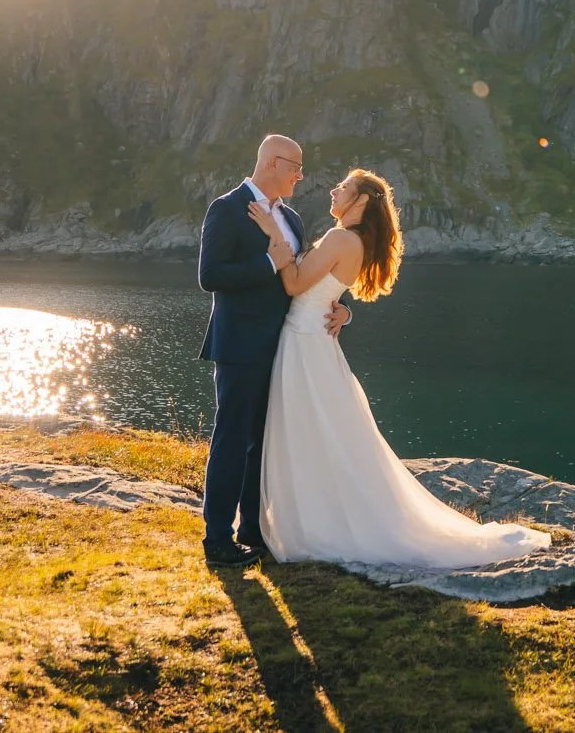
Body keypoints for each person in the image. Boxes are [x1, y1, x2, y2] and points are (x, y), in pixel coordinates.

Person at [250, 167, 550, 569]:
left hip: (305, 342)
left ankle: (314, 522)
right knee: (322, 431)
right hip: (313, 340)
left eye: (344, 188)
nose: (333, 191)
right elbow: (327, 292)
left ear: (360, 201)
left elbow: (294, 284)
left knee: (309, 429)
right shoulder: (353, 240)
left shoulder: (340, 237)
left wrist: (275, 240)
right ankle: (320, 514)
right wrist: (344, 312)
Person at [196, 133, 348, 567]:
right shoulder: (226, 208)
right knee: (231, 440)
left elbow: (308, 279)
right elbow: (211, 275)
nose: (302, 175)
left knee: (262, 443)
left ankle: (253, 531)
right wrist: (269, 263)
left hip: (285, 348)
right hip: (241, 346)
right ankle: (218, 540)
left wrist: (343, 311)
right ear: (274, 163)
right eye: (296, 166)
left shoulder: (294, 219)